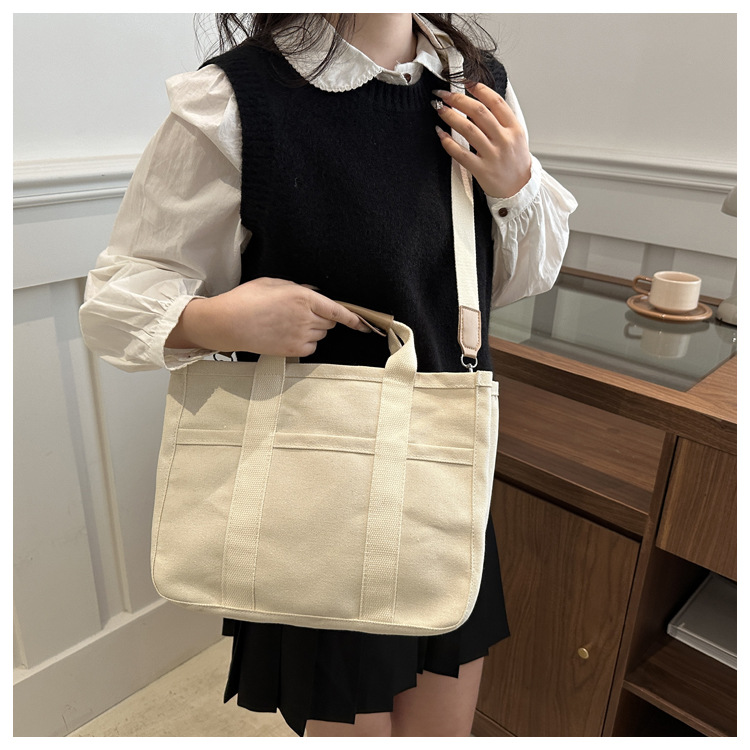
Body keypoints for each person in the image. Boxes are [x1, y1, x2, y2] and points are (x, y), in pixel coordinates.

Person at [80, 12, 577, 738]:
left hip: (440, 469)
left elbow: (508, 280)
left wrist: (515, 184)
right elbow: (114, 302)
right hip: (310, 495)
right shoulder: (235, 101)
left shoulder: (477, 85)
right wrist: (218, 320)